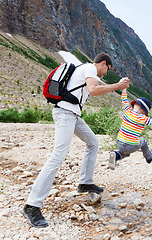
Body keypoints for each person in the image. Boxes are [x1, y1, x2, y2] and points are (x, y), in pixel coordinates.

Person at [21, 53, 130, 228]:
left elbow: (92, 89)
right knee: (58, 155)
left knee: (93, 142)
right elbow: (93, 90)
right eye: (107, 69)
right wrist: (118, 85)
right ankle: (32, 205)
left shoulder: (87, 70)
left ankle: (85, 183)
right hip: (65, 113)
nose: (106, 73)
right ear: (104, 63)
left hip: (72, 114)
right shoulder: (89, 68)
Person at [108, 88, 152, 170]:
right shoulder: (142, 118)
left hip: (120, 143)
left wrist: (124, 89)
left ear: (134, 105)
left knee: (125, 153)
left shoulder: (127, 111)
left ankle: (116, 155)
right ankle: (149, 157)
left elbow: (124, 100)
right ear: (144, 112)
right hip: (130, 145)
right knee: (143, 141)